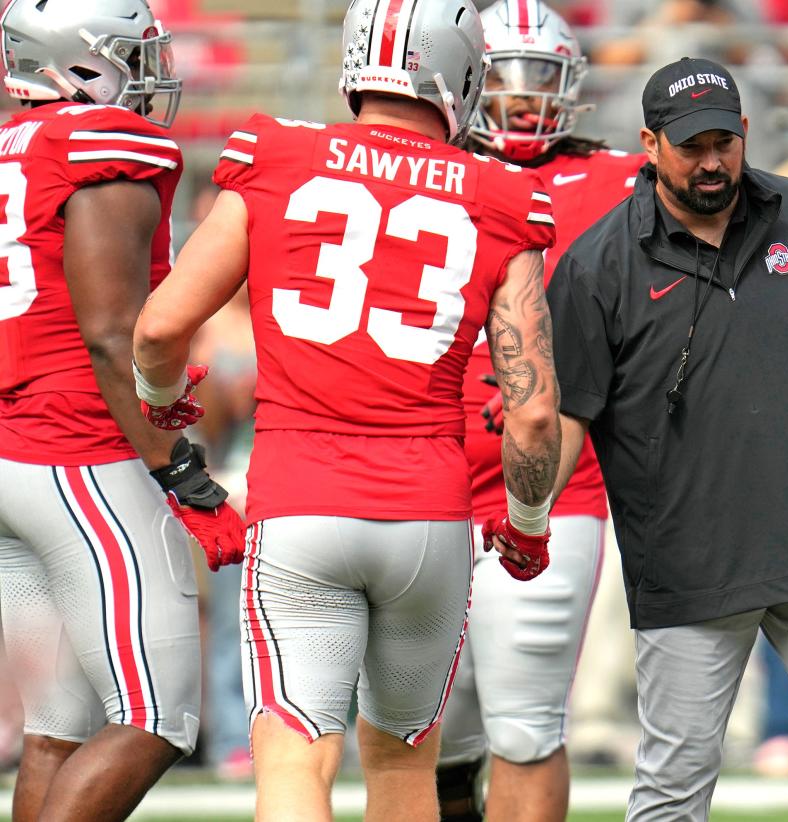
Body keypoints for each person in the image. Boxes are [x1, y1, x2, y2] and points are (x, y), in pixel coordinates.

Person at [132, 0, 563, 818]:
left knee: (295, 759)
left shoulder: (280, 153)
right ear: (463, 71)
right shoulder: (504, 193)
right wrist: (531, 521)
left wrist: (162, 404)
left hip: (300, 503)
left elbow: (158, 327)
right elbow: (534, 413)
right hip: (430, 516)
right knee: (403, 770)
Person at [545, 56, 788, 821]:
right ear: (649, 144)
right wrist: (524, 513)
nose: (712, 160)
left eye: (724, 140)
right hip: (687, 561)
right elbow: (566, 415)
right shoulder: (595, 265)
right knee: (675, 785)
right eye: (691, 145)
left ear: (746, 131)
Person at [0, 2, 245, 820]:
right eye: (129, 56)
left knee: (57, 726)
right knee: (158, 716)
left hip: (16, 454)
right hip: (79, 454)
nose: (149, 73)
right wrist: (179, 470)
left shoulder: (13, 143)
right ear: (77, 62)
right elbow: (111, 334)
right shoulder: (101, 141)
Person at [435, 2, 645, 820]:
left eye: (539, 79)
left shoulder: (622, 180)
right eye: (499, 78)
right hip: (425, 466)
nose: (521, 99)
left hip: (560, 477)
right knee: (429, 727)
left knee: (526, 726)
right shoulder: (423, 165)